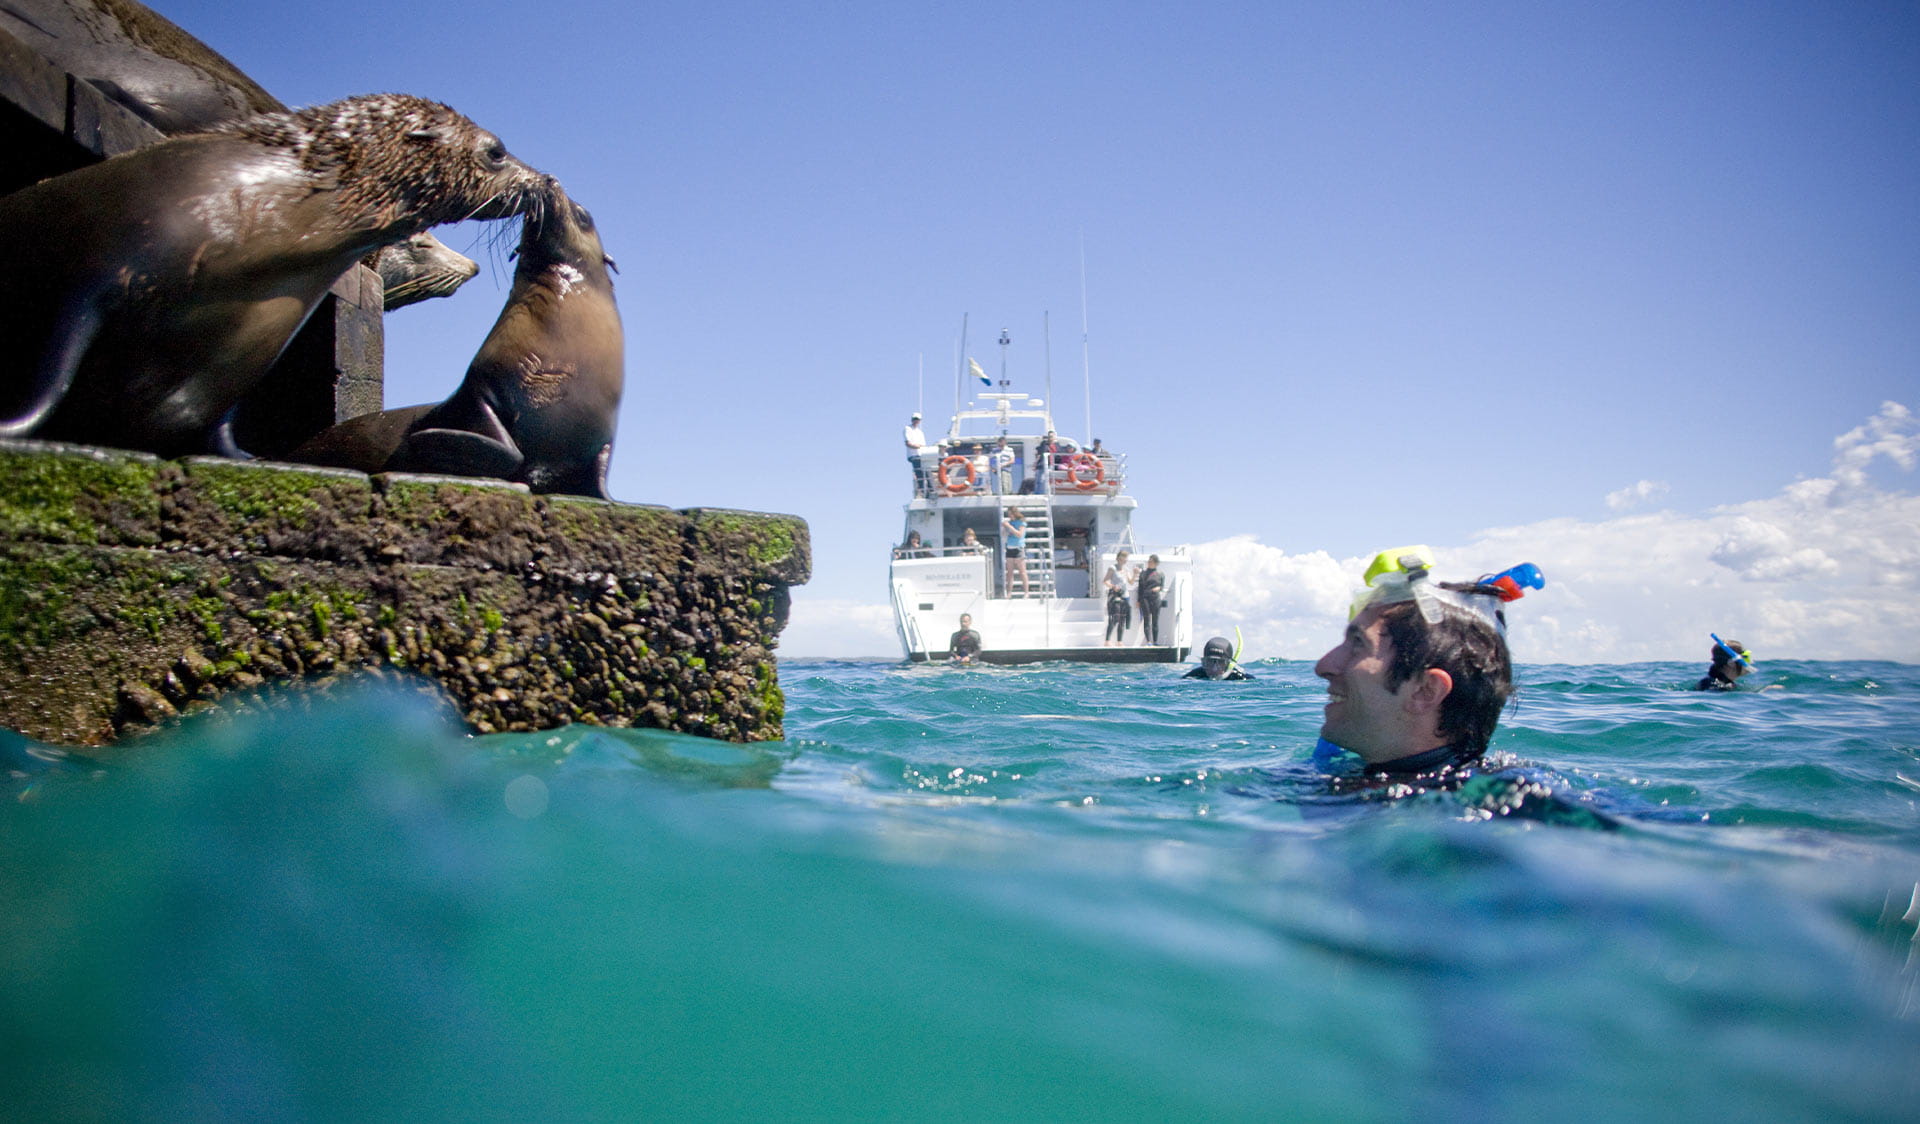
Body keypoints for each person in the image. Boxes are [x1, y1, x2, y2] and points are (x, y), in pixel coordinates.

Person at [1312, 551, 1514, 775]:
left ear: (1425, 691)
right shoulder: (1346, 774)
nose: (1323, 666)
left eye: (1359, 643)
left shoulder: (1516, 803)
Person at [1184, 636, 1250, 680]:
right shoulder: (1195, 675)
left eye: (1221, 663)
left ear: (1229, 664)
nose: (1214, 669)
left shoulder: (1239, 677)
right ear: (1203, 663)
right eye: (1209, 662)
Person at [1103, 550, 1133, 645]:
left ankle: (1119, 641)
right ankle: (1107, 641)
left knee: (1122, 619)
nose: (1124, 561)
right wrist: (1113, 586)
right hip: (1115, 596)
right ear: (1118, 559)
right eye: (1123, 559)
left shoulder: (1126, 570)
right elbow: (1105, 581)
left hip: (1125, 596)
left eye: (1125, 559)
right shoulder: (1112, 568)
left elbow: (1131, 582)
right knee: (1114, 618)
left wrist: (1135, 574)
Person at [1136, 554, 1164, 645]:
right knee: (1147, 619)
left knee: (1155, 620)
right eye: (1148, 561)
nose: (1148, 563)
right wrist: (1138, 600)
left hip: (1155, 598)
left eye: (1151, 561)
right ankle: (1148, 641)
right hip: (1145, 598)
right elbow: (1140, 588)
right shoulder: (1143, 573)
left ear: (1156, 563)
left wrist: (1158, 588)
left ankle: (1155, 641)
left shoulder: (1160, 574)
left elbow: (1162, 586)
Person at [1000, 506, 1028, 597]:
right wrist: (1004, 528)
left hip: (1019, 548)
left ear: (1015, 513)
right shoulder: (1009, 522)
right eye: (1008, 514)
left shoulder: (1021, 522)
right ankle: (1009, 592)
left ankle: (1026, 592)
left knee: (1022, 571)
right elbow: (1004, 535)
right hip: (1009, 548)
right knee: (1010, 572)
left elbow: (1019, 534)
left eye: (1010, 514)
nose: (1009, 516)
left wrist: (1009, 526)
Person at [903, 412, 928, 490]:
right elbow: (908, 443)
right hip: (913, 455)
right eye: (914, 419)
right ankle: (922, 489)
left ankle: (929, 488)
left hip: (922, 455)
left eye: (917, 419)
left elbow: (923, 445)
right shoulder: (907, 429)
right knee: (919, 473)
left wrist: (920, 447)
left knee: (926, 472)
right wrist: (917, 446)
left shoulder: (920, 432)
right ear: (912, 419)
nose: (916, 421)